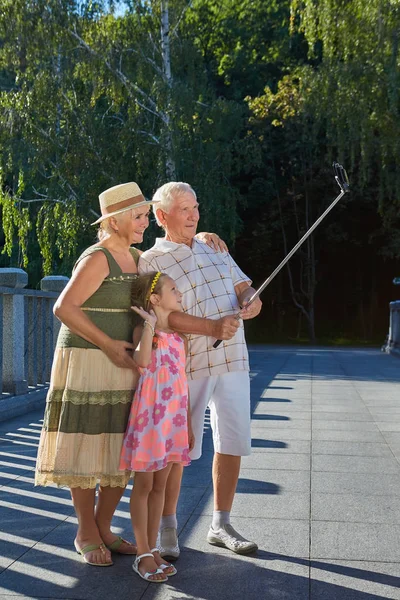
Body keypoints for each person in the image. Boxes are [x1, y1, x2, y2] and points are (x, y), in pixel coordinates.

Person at [35, 181, 225, 567]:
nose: (144, 223)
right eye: (139, 216)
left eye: (143, 215)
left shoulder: (137, 257)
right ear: (117, 219)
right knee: (88, 444)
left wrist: (200, 235)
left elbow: (167, 269)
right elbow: (64, 308)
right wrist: (107, 344)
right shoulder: (98, 257)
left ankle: (104, 526)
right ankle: (85, 531)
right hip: (90, 358)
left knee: (121, 446)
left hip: (127, 360)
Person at [139, 182, 262, 558]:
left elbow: (245, 287)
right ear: (162, 217)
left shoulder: (215, 247)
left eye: (196, 207)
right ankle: (168, 527)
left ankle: (221, 524)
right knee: (178, 449)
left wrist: (250, 300)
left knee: (233, 440)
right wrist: (210, 327)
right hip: (185, 366)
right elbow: (163, 315)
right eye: (185, 209)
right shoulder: (150, 261)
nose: (194, 215)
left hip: (234, 360)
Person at [119, 271, 193, 582]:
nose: (179, 294)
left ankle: (154, 549)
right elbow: (143, 362)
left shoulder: (179, 338)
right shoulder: (145, 332)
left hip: (172, 421)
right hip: (150, 420)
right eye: (173, 289)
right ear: (155, 299)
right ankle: (142, 552)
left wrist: (188, 422)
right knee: (145, 486)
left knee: (160, 487)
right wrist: (149, 324)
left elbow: (182, 382)